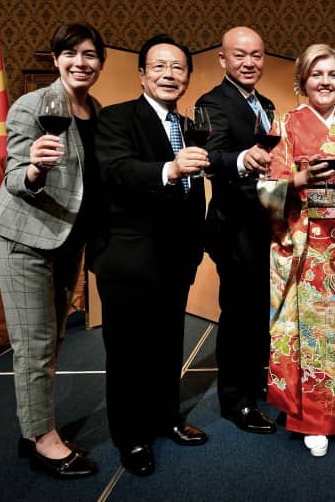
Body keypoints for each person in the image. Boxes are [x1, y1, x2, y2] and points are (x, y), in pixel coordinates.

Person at [0, 23, 105, 479]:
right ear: (56, 58)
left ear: (100, 63)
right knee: (35, 345)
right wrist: (35, 167)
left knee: (53, 339)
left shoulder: (96, 110)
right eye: (71, 53)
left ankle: (34, 428)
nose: (81, 62)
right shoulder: (33, 105)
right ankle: (42, 441)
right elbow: (14, 177)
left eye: (90, 54)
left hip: (65, 241)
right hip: (24, 240)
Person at [93, 34, 210, 477]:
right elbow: (117, 170)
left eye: (178, 68)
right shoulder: (118, 118)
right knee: (127, 353)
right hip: (129, 257)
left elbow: (193, 190)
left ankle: (166, 419)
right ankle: (131, 437)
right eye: (159, 66)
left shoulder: (187, 123)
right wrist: (170, 168)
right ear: (141, 74)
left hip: (176, 258)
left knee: (166, 345)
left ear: (187, 77)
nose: (169, 74)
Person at [257, 44, 335, 458]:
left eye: (333, 75)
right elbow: (265, 191)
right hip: (307, 243)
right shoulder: (286, 123)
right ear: (303, 80)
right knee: (313, 333)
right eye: (316, 75)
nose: (325, 82)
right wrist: (299, 179)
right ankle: (312, 419)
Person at [195, 26, 277, 435]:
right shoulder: (210, 103)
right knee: (238, 315)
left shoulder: (267, 104)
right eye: (240, 55)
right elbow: (211, 159)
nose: (249, 63)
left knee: (261, 313)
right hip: (234, 227)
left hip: (267, 224)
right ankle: (235, 400)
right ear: (223, 59)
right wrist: (244, 159)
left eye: (257, 55)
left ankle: (257, 380)